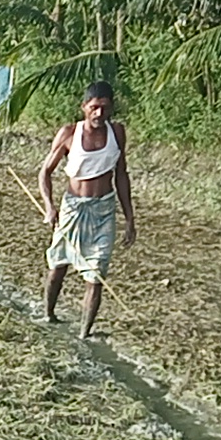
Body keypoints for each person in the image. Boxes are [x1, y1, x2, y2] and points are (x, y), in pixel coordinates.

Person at [37, 81, 135, 338]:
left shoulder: (117, 133)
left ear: (111, 108)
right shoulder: (69, 134)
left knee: (96, 273)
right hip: (72, 209)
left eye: (104, 108)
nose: (99, 114)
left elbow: (121, 175)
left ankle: (84, 334)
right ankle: (48, 314)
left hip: (104, 210)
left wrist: (129, 218)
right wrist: (49, 207)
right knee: (58, 265)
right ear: (84, 108)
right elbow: (45, 172)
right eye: (94, 108)